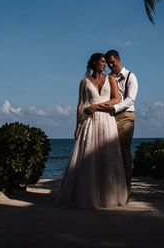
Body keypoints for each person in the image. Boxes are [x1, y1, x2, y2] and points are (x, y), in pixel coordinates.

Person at [54, 53, 128, 209]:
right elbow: (80, 105)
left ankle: (107, 196)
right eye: (102, 62)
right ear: (94, 63)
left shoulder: (111, 79)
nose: (105, 65)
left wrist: (96, 106)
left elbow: (117, 99)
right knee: (88, 158)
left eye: (105, 63)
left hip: (107, 121)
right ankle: (87, 196)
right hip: (89, 123)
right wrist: (77, 125)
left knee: (107, 157)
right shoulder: (84, 82)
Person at [99, 49, 138, 194]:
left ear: (119, 59)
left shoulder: (131, 76)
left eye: (113, 62)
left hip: (126, 116)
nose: (110, 65)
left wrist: (114, 107)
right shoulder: (108, 78)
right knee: (110, 152)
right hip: (110, 116)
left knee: (124, 151)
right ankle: (111, 188)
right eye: (108, 63)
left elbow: (130, 100)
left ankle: (126, 189)